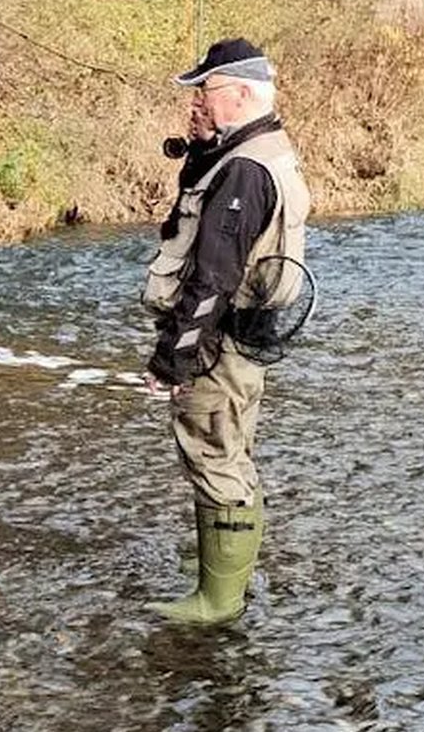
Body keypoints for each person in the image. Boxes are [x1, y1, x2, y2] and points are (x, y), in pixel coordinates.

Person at [140, 37, 311, 624]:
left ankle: (217, 602)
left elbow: (212, 278)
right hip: (242, 339)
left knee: (214, 454)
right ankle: (224, 585)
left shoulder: (242, 172)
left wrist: (171, 362)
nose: (193, 102)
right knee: (229, 452)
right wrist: (200, 150)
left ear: (239, 94)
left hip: (219, 345)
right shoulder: (257, 150)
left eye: (203, 92)